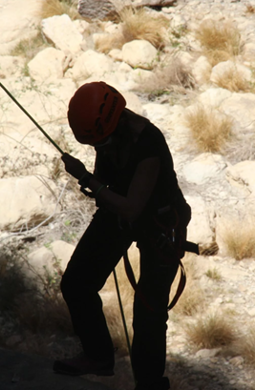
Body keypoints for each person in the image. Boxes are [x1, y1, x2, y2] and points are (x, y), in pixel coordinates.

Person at [53, 82, 192, 390]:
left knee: (148, 316)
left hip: (158, 225)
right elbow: (112, 188)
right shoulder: (111, 135)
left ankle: (150, 385)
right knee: (76, 284)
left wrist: (85, 177)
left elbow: (132, 207)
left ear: (114, 125)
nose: (98, 149)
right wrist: (97, 182)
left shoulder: (149, 146)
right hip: (119, 215)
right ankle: (98, 356)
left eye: (100, 143)